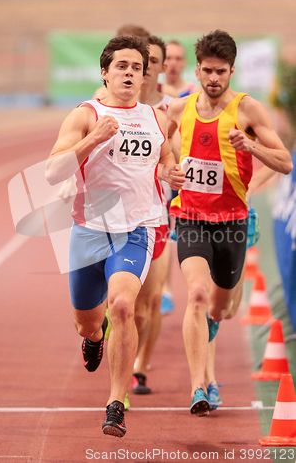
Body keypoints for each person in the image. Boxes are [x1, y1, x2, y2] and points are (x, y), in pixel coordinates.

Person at [46, 35, 184, 436]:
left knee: (123, 306)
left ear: (144, 76)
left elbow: (164, 159)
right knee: (88, 322)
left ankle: (115, 403)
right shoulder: (84, 115)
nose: (128, 73)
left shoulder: (157, 119)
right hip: (90, 232)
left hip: (136, 230)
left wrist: (168, 172)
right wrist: (93, 140)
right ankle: (92, 338)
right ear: (104, 73)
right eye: (120, 66)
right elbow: (52, 172)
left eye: (136, 68)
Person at [167, 29, 293, 416]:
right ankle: (199, 387)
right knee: (197, 296)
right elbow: (160, 151)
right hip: (190, 218)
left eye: (221, 71)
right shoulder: (178, 109)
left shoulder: (248, 110)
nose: (213, 78)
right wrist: (168, 172)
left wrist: (250, 146)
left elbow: (286, 162)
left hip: (232, 222)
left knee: (221, 310)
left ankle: (213, 328)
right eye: (207, 70)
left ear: (232, 71)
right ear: (199, 69)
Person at [132, 35, 174, 394]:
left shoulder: (171, 111)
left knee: (148, 306)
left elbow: (178, 159)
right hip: (112, 219)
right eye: (139, 61)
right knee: (118, 304)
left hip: (158, 219)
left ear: (159, 68)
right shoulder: (106, 107)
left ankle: (141, 365)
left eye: (152, 61)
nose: (144, 68)